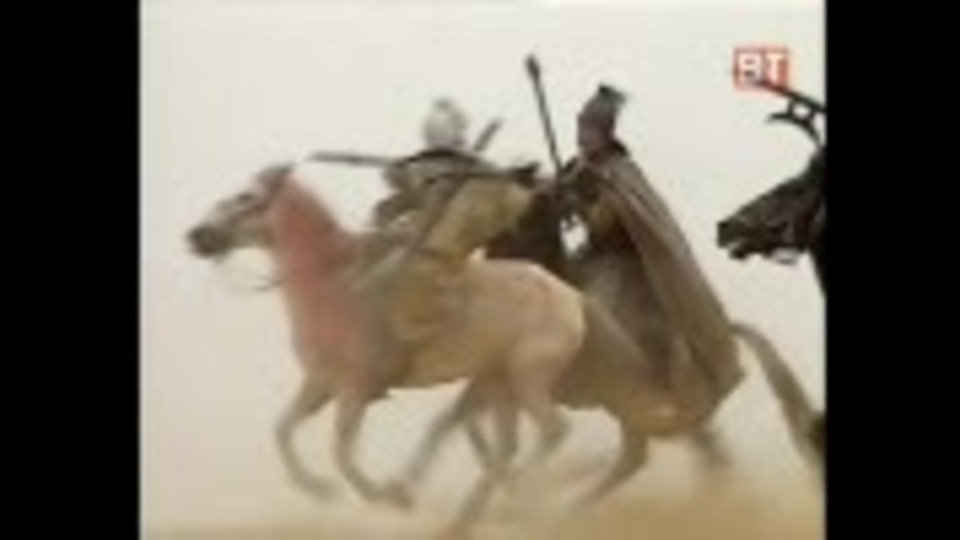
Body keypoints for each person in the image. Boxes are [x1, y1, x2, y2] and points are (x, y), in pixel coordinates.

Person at [558, 85, 741, 397]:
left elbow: (603, 223)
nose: (583, 136)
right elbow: (556, 202)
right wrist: (559, 197)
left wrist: (581, 203)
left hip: (624, 263)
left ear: (606, 134)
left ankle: (649, 379)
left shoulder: (620, 171)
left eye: (590, 130)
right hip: (590, 256)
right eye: (581, 128)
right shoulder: (577, 168)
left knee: (594, 310)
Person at [361, 98, 535, 394]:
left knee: (387, 279)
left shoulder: (477, 176)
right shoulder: (431, 169)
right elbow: (398, 183)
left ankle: (400, 352)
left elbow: (511, 202)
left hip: (442, 253)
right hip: (420, 240)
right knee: (366, 267)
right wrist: (396, 203)